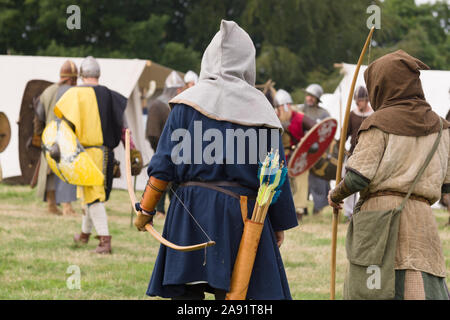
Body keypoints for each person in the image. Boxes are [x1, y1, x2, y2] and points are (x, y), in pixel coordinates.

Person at [134, 20, 297, 300]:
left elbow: (163, 167)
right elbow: (275, 174)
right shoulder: (262, 110)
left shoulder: (187, 104)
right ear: (247, 60)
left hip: (189, 211)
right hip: (239, 215)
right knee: (232, 297)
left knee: (188, 299)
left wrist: (145, 211)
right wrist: (277, 225)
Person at [328, 50, 450, 300]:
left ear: (382, 84)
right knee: (420, 285)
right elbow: (447, 185)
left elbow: (357, 178)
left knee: (375, 290)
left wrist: (335, 193)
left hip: (380, 221)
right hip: (423, 223)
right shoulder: (441, 127)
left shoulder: (378, 122)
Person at [55, 56, 141, 254]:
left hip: (87, 155)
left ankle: (105, 241)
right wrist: (132, 149)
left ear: (82, 74)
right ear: (98, 74)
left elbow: (65, 127)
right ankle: (85, 234)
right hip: (107, 154)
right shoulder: (112, 96)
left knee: (93, 198)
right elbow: (124, 129)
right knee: (89, 195)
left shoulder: (75, 94)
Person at [33, 60, 78, 216]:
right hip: (66, 138)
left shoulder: (47, 91)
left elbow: (38, 117)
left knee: (49, 172)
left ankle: (51, 205)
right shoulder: (72, 92)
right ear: (72, 78)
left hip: (48, 138)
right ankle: (67, 207)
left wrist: (39, 135)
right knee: (66, 172)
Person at [145, 71, 185, 218]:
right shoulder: (158, 105)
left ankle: (174, 212)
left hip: (180, 154)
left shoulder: (180, 106)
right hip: (163, 151)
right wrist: (160, 149)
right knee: (160, 178)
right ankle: (160, 210)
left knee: (176, 184)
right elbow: (152, 133)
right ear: (178, 89)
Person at [274, 89, 315, 220]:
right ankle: (279, 210)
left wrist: (305, 143)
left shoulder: (300, 117)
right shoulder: (273, 118)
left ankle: (299, 210)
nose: (279, 110)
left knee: (301, 179)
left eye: (280, 107)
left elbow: (316, 128)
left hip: (298, 156)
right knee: (278, 184)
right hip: (279, 157)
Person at [341, 86, 373, 220]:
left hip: (370, 153)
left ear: (366, 100)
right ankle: (349, 213)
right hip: (354, 152)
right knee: (349, 181)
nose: (358, 103)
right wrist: (343, 147)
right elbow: (344, 134)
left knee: (368, 183)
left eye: (361, 100)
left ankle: (365, 211)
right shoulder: (352, 114)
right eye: (357, 100)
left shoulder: (374, 115)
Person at [299, 83, 331, 214]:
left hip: (317, 152)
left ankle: (318, 209)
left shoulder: (324, 114)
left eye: (312, 96)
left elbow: (328, 133)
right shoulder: (300, 111)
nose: (309, 98)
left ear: (317, 98)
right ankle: (302, 209)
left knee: (318, 180)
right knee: (302, 182)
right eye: (308, 95)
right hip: (301, 151)